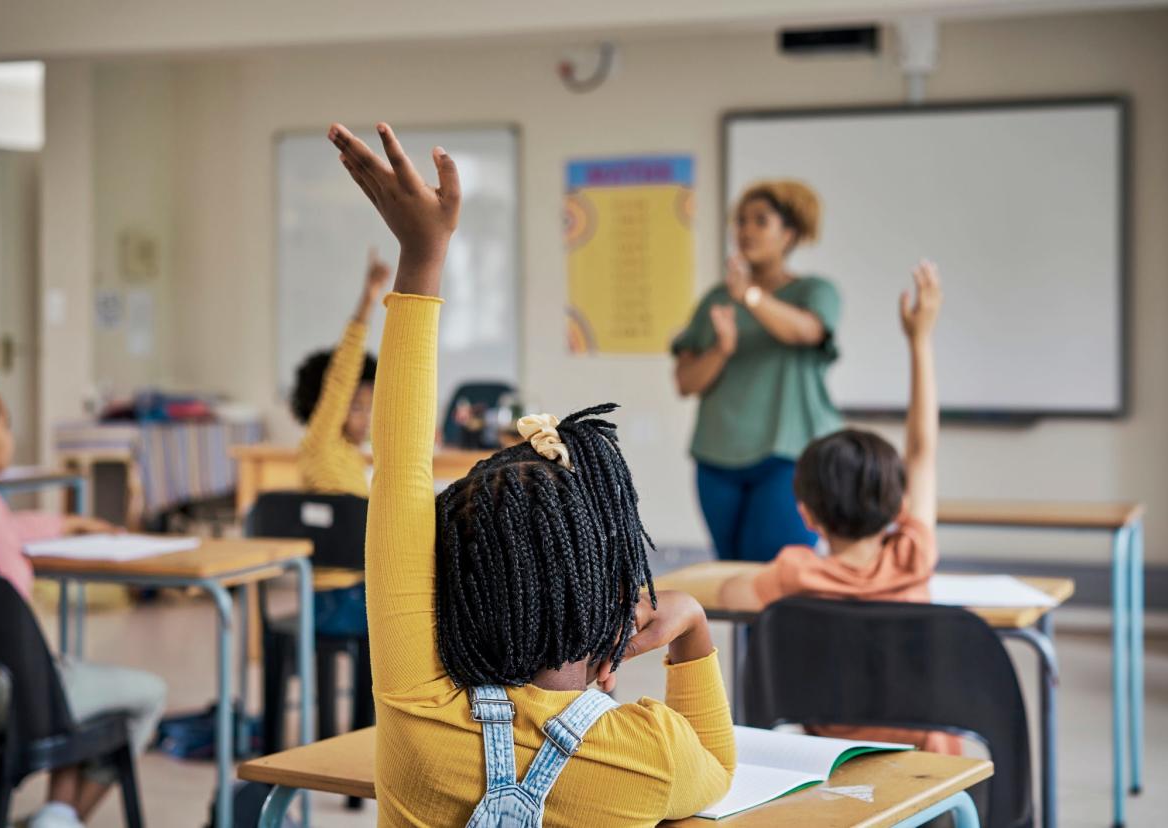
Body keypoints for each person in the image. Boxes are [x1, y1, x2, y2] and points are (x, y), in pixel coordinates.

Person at [328, 122, 734, 827]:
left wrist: (421, 257)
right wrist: (693, 629)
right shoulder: (652, 751)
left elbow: (399, 470)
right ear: (609, 592)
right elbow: (718, 774)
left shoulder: (415, 705)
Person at [0, 221, 168, 828]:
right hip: (13, 698)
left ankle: (54, 816)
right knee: (144, 692)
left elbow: (11, 532)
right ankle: (60, 817)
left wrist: (70, 523)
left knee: (72, 676)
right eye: (5, 425)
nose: (11, 435)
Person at [719, 260, 958, 754]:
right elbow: (922, 451)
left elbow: (730, 593)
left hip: (833, 765)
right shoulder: (913, 552)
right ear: (897, 505)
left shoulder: (794, 574)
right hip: (930, 773)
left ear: (806, 513)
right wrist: (920, 341)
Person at [672, 180, 842, 562]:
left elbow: (806, 331)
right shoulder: (716, 299)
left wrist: (749, 295)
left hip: (789, 455)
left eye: (760, 221)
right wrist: (722, 349)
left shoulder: (814, 292)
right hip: (717, 458)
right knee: (730, 577)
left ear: (789, 235)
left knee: (777, 575)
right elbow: (686, 382)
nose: (746, 230)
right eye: (741, 221)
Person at [289, 250, 390, 637]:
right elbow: (342, 376)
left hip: (357, 591)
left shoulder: (350, 455)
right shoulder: (321, 442)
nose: (366, 416)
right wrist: (368, 298)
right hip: (335, 598)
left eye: (371, 406)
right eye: (357, 407)